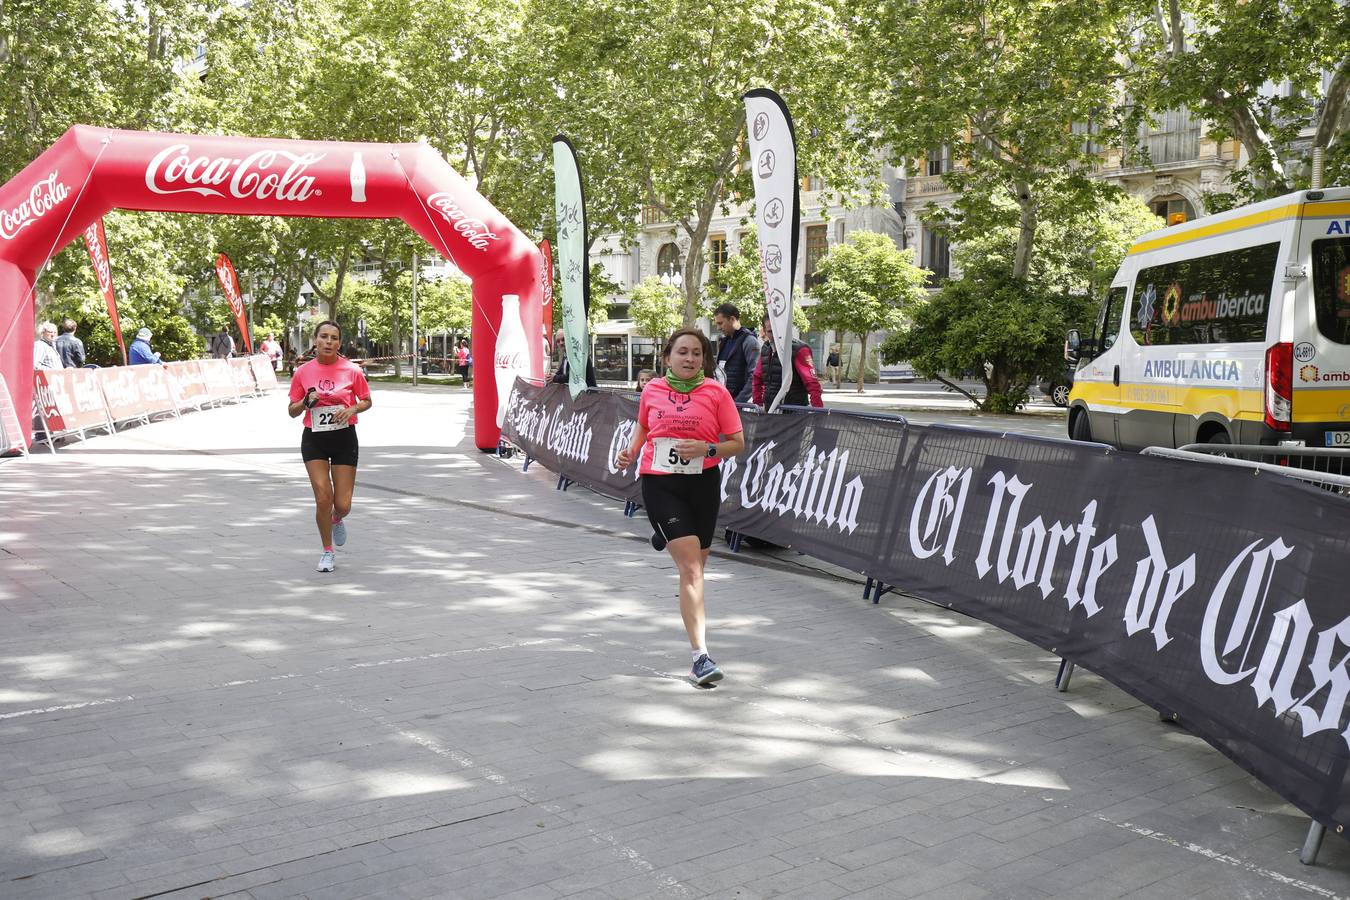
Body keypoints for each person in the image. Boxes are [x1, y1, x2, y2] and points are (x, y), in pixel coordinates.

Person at [616, 328, 746, 686]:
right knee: (691, 569)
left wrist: (707, 450)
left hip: (703, 484)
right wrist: (630, 451)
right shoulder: (653, 389)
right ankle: (700, 657)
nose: (690, 359)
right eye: (682, 352)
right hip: (660, 482)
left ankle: (666, 533)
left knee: (698, 567)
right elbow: (644, 426)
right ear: (667, 357)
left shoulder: (716, 393)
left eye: (697, 354)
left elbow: (737, 443)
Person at [288, 320, 373, 573]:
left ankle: (337, 518)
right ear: (315, 340)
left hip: (344, 438)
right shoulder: (303, 372)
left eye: (334, 338)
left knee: (343, 504)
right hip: (314, 438)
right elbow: (292, 411)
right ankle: (327, 552)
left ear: (339, 343)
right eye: (323, 337)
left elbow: (367, 400)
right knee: (323, 497)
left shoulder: (352, 370)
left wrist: (352, 408)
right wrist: (305, 402)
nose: (328, 342)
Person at [752, 315, 823, 409]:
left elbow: (812, 384)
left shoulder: (800, 350)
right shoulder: (766, 348)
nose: (775, 336)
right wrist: (758, 404)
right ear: (764, 331)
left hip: (793, 411)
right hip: (771, 411)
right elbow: (757, 378)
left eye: (778, 330)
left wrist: (818, 412)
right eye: (770, 332)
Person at [712, 302, 761, 403]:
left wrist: (738, 402)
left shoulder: (750, 341)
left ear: (732, 319)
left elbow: (754, 376)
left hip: (740, 405)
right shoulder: (723, 342)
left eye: (720, 323)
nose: (718, 328)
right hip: (725, 401)